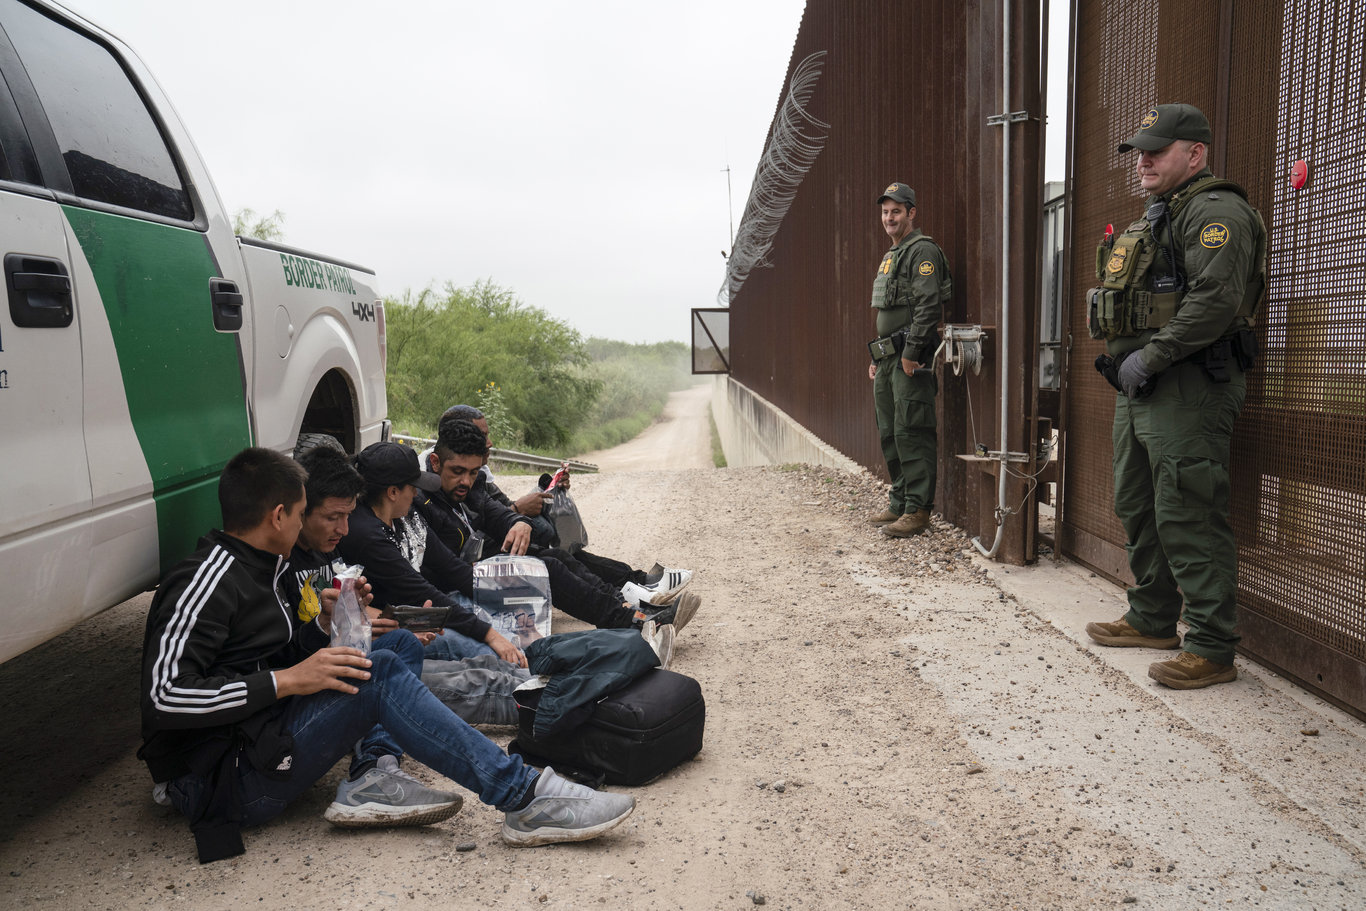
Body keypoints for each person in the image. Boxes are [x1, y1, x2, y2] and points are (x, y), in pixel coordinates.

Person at [138, 447, 636, 863]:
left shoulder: (270, 568)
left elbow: (259, 654)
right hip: (221, 781)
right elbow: (163, 699)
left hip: (260, 733)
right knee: (379, 676)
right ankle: (523, 796)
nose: (335, 527)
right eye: (306, 511)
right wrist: (288, 680)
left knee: (391, 645)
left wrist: (323, 628)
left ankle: (375, 773)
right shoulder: (206, 582)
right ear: (279, 516)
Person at [1084, 104, 1266, 690]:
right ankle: (1154, 617)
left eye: (1157, 150)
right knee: (1138, 503)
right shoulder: (1158, 218)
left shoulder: (1218, 212)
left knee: (1189, 510)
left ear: (1196, 153)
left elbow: (1213, 303)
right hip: (1142, 388)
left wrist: (1149, 357)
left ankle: (1212, 647)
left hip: (1189, 386)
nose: (1144, 159)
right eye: (1141, 150)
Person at [418, 421, 701, 631]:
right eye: (458, 472)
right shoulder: (422, 501)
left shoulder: (471, 486)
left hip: (477, 569)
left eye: (472, 472)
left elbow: (496, 512)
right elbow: (444, 568)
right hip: (455, 586)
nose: (466, 481)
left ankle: (631, 606)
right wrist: (510, 564)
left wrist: (517, 522)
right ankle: (636, 621)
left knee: (555, 556)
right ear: (435, 462)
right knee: (546, 568)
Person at [336, 441, 523, 665]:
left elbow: (451, 567)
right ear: (393, 492)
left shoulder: (405, 514)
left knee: (504, 620)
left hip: (421, 613)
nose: (417, 493)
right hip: (401, 629)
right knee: (487, 651)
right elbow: (422, 591)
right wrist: (490, 635)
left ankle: (535, 652)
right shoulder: (366, 534)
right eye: (412, 486)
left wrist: (507, 598)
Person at [866, 181, 948, 538]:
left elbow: (929, 306)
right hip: (887, 359)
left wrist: (912, 353)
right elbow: (887, 309)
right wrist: (876, 356)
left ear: (911, 213)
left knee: (911, 430)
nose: (889, 218)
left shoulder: (922, 251)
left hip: (908, 358)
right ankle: (900, 500)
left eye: (896, 211)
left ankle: (918, 509)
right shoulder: (891, 255)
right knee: (890, 432)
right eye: (885, 212)